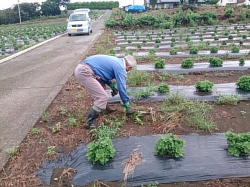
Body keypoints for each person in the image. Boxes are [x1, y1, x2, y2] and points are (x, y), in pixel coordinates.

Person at [74, 54, 137, 129]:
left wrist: (112, 85)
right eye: (129, 69)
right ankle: (89, 122)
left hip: (85, 68)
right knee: (102, 97)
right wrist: (127, 104)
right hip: (85, 71)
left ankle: (106, 108)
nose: (128, 71)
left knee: (102, 88)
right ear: (129, 67)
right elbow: (122, 87)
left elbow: (103, 74)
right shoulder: (120, 68)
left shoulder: (117, 61)